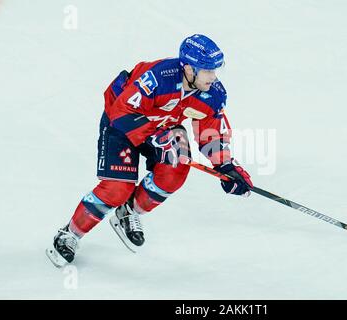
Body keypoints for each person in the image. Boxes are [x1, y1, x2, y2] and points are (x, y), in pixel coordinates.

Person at [46, 34, 254, 267]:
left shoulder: (212, 93)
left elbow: (211, 131)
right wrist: (154, 137)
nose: (213, 77)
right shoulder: (157, 78)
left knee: (176, 170)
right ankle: (69, 234)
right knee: (117, 189)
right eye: (206, 71)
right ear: (187, 68)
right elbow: (121, 111)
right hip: (122, 125)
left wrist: (225, 166)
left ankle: (128, 211)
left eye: (215, 70)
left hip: (162, 127)